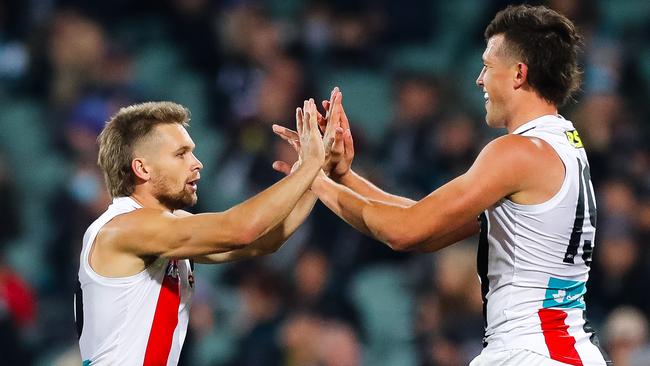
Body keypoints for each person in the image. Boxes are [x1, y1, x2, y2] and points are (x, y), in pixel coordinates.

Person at [274, 4, 610, 366]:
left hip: (532, 353)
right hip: (557, 350)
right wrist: (343, 177)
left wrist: (313, 178)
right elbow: (423, 225)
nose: (479, 79)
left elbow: (404, 231)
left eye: (487, 66)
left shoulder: (517, 153)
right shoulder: (560, 146)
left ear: (518, 74)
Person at [75, 99, 328, 365]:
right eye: (181, 154)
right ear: (142, 168)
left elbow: (263, 242)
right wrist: (310, 165)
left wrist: (314, 177)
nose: (197, 163)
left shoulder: (168, 226)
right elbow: (241, 230)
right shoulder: (125, 228)